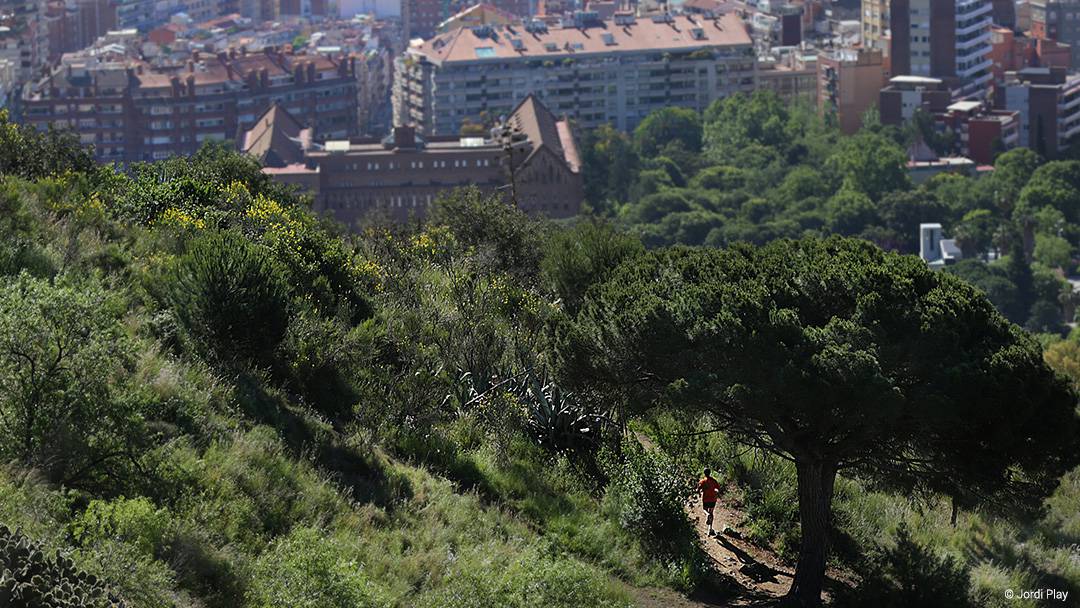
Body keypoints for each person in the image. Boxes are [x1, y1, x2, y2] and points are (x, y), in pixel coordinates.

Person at [697, 467, 721, 536]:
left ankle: (707, 515)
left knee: (705, 509)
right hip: (713, 499)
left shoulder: (703, 481)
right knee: (712, 513)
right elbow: (718, 489)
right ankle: (709, 529)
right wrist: (716, 493)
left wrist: (699, 493)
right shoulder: (714, 481)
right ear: (710, 473)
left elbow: (698, 489)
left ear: (704, 473)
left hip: (706, 499)